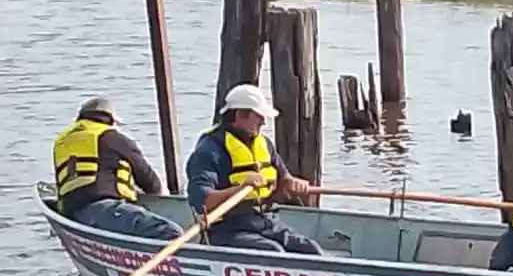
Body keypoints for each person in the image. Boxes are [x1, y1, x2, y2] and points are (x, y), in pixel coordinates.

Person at [185, 84, 322, 254]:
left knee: (310, 249)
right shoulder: (209, 150)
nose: (263, 122)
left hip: (267, 222)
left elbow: (283, 179)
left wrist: (293, 183)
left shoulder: (264, 144)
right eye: (259, 116)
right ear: (240, 115)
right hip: (228, 229)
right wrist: (240, 189)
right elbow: (202, 201)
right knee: (273, 251)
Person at [52, 97, 184, 240]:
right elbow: (152, 184)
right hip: (103, 211)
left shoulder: (61, 141)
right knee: (171, 231)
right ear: (110, 120)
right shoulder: (112, 137)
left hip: (70, 214)